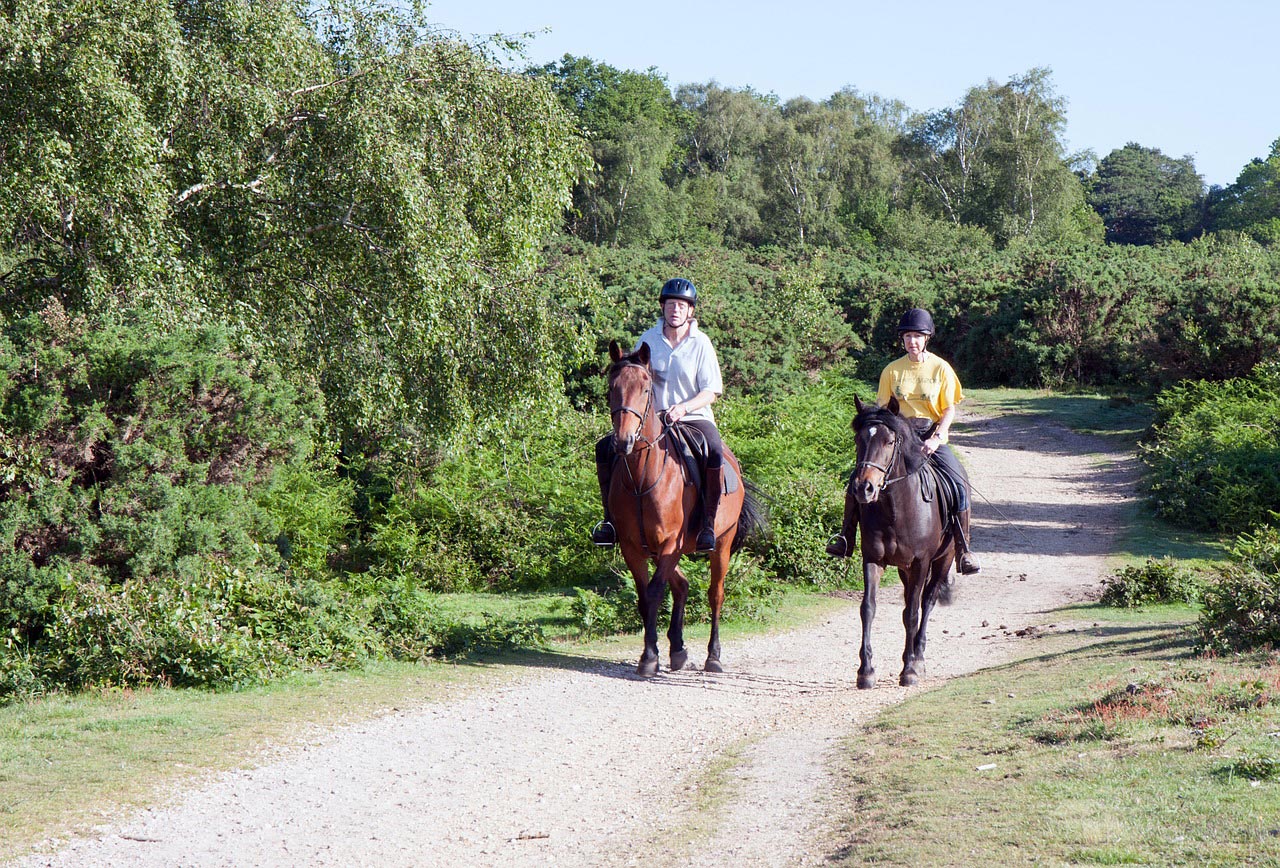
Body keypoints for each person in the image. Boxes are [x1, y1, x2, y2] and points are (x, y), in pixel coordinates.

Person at [828, 307, 981, 574]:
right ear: (903, 339)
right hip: (899, 438)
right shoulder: (892, 371)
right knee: (857, 481)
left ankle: (964, 549)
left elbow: (948, 409)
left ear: (927, 338)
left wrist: (937, 438)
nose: (912, 341)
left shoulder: (941, 369)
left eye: (918, 336)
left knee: (959, 483)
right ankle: (845, 539)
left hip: (929, 436)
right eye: (908, 336)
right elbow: (883, 411)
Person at [591, 277, 726, 552]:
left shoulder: (701, 343)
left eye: (681, 305)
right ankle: (610, 521)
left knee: (714, 449)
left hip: (693, 418)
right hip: (651, 420)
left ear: (690, 311)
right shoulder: (648, 340)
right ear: (662, 307)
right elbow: (635, 377)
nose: (675, 310)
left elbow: (711, 391)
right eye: (670, 304)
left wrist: (684, 408)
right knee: (605, 448)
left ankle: (708, 525)